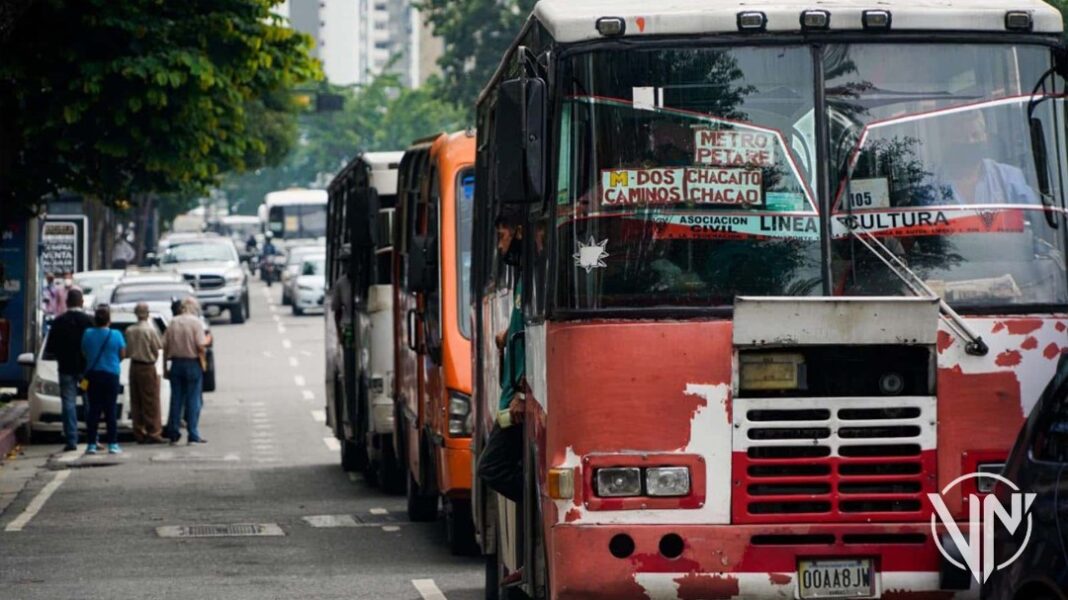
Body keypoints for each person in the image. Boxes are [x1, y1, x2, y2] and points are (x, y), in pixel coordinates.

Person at [477, 211, 526, 504]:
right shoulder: (525, 276)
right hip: (513, 395)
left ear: (519, 231)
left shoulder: (536, 275)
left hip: (519, 400)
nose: (499, 246)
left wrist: (521, 392)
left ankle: (539, 502)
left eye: (501, 237)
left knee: (492, 467)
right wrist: (509, 332)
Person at [43, 288, 93, 451]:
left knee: (68, 402)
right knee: (89, 401)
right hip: (85, 371)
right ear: (82, 302)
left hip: (66, 368)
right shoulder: (89, 321)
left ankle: (72, 439)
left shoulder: (58, 322)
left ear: (66, 302)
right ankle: (93, 437)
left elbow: (51, 348)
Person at [163, 297, 211, 444]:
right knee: (193, 399)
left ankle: (174, 432)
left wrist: (165, 366)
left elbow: (164, 344)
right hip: (192, 363)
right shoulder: (196, 323)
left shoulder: (173, 322)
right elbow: (200, 344)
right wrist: (208, 339)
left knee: (176, 399)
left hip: (176, 363)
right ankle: (193, 433)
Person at [81, 304, 126, 455]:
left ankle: (91, 444)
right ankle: (113, 443)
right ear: (109, 320)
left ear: (95, 320)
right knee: (110, 409)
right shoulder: (116, 335)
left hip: (93, 374)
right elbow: (122, 354)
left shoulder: (88, 333)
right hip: (111, 375)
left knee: (94, 410)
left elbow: (84, 351)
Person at [125, 302, 166, 444]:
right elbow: (157, 347)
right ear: (147, 314)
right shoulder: (150, 331)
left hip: (133, 366)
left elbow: (127, 350)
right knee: (151, 400)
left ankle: (139, 431)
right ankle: (153, 431)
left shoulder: (129, 330)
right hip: (147, 366)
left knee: (136, 400)